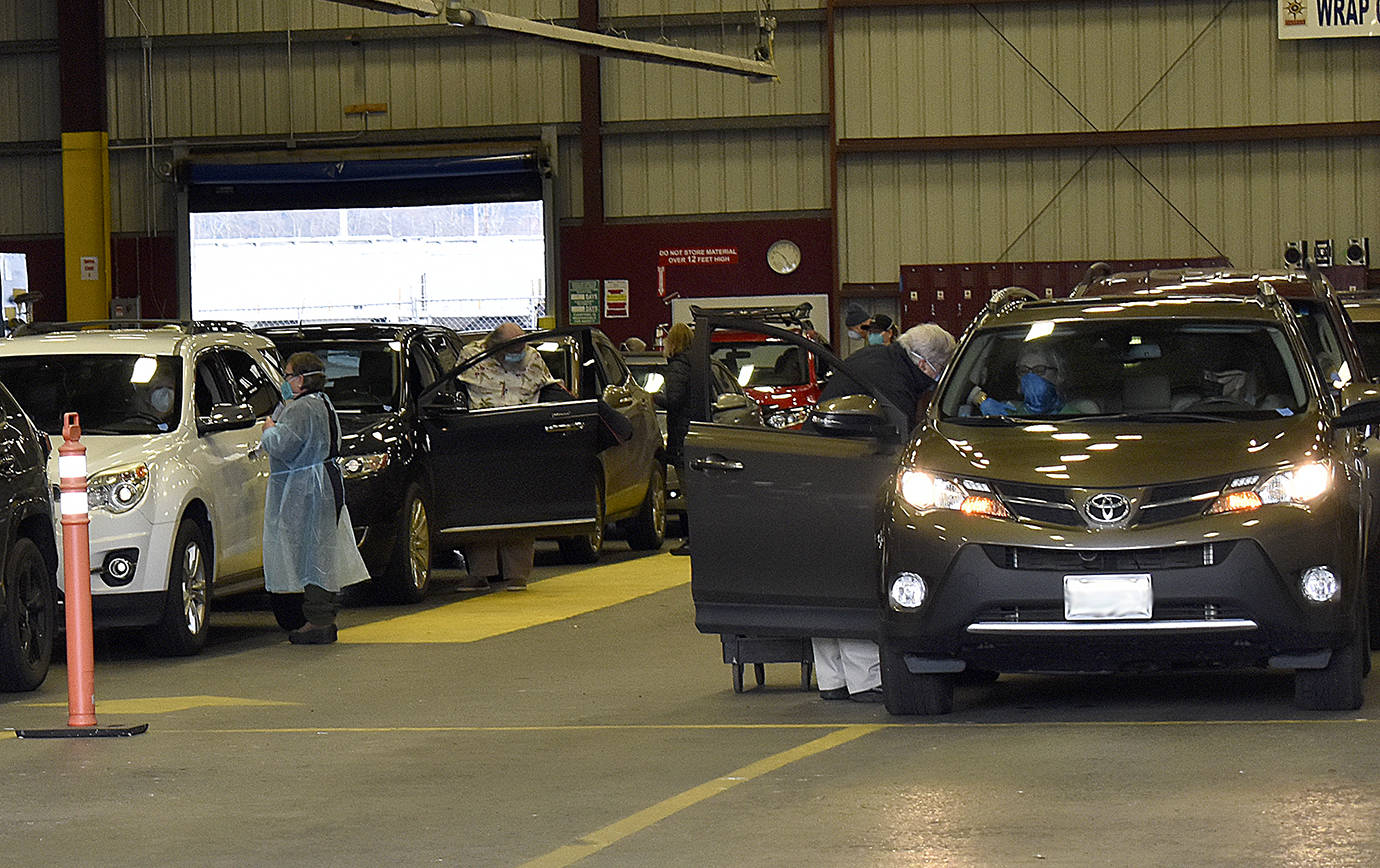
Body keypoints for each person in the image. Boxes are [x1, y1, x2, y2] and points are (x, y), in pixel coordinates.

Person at [810, 323, 956, 703]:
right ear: (926, 365)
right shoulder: (893, 383)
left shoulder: (879, 360)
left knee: (830, 578)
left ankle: (832, 680)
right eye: (939, 372)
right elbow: (899, 447)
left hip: (823, 480)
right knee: (860, 578)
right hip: (853, 486)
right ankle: (865, 679)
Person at [261, 351, 370, 645]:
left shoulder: (301, 409)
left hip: (307, 489)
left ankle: (318, 619)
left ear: (300, 379)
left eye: (287, 375)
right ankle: (322, 617)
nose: (284, 382)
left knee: (311, 554)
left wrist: (269, 432)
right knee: (320, 550)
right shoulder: (322, 403)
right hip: (323, 484)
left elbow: (283, 446)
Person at [456, 323, 560, 590]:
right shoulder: (472, 356)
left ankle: (517, 574)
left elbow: (548, 388)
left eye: (521, 346)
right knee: (482, 507)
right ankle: (481, 572)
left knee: (520, 507)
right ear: (494, 345)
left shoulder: (533, 357)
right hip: (482, 442)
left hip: (523, 442)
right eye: (511, 348)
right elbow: (458, 390)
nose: (518, 352)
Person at [815, 322, 956, 431]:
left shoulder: (876, 354)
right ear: (923, 364)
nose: (940, 375)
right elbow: (900, 442)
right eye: (941, 368)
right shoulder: (895, 387)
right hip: (832, 450)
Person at [970, 343, 1096, 416]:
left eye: (1039, 370)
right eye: (1024, 371)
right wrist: (980, 399)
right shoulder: (1007, 413)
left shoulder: (1075, 417)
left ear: (1059, 376)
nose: (1030, 377)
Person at [655, 323, 694, 556]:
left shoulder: (678, 367)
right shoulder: (696, 365)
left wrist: (653, 398)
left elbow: (674, 399)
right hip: (693, 432)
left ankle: (692, 540)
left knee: (688, 491)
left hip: (682, 435)